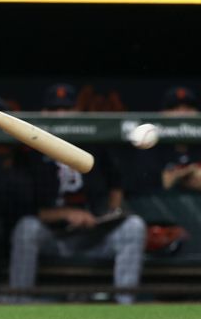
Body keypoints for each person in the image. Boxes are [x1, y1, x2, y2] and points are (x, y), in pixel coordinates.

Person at [8, 83, 147, 304]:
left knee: (134, 226)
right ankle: (18, 303)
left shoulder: (95, 143)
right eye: (54, 110)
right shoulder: (31, 152)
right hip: (54, 237)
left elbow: (117, 183)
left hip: (95, 236)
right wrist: (67, 213)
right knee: (27, 228)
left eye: (66, 108)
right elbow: (27, 208)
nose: (60, 115)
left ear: (77, 111)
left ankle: (125, 306)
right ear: (43, 113)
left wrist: (109, 214)